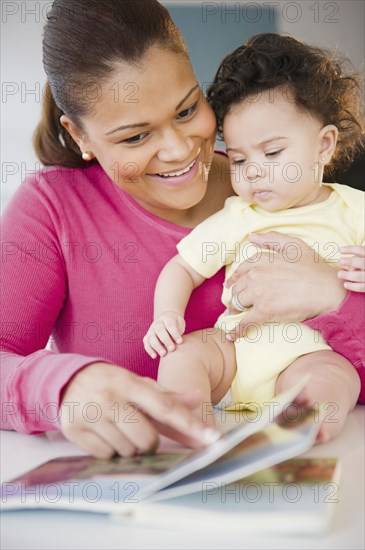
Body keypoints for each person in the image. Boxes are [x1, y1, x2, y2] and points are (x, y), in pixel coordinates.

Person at [0, 2, 363, 459]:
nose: (177, 150)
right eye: (135, 137)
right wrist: (62, 387)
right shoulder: (52, 207)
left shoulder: (288, 187)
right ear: (80, 138)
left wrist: (337, 299)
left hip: (302, 480)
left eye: (189, 109)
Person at [144, 33, 365, 442]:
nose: (253, 171)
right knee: (186, 353)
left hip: (307, 357)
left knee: (335, 378)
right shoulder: (239, 215)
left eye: (273, 153)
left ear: (324, 145)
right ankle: (189, 429)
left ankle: (293, 437)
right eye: (241, 159)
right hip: (232, 351)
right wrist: (167, 316)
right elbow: (182, 267)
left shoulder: (353, 208)